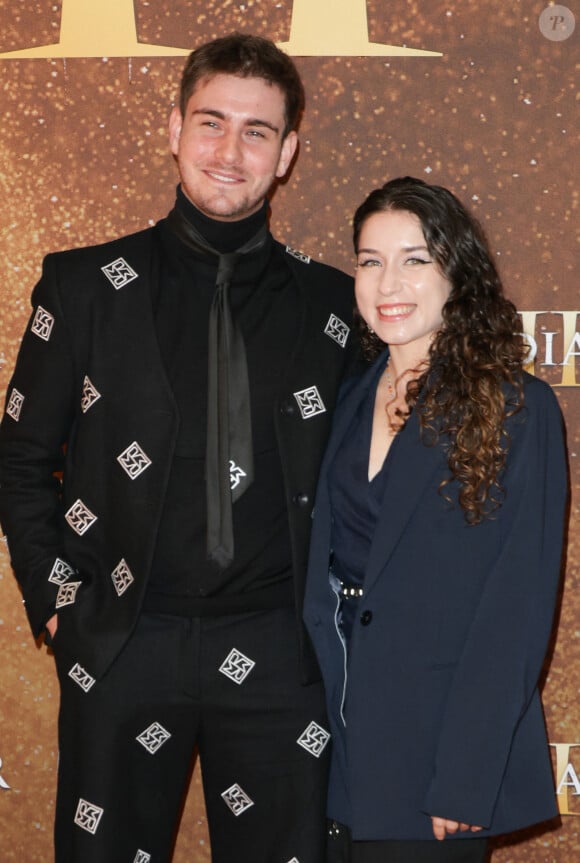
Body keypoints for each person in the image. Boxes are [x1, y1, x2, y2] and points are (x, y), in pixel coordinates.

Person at [0, 33, 354, 863]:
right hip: (124, 639)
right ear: (173, 129)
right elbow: (19, 458)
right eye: (211, 123)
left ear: (288, 152)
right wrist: (60, 605)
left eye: (257, 131)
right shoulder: (82, 286)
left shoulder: (337, 307)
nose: (230, 152)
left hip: (281, 649)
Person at [303, 177, 568, 862]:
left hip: (436, 760)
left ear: (457, 272)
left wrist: (466, 774)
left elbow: (515, 611)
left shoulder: (517, 408)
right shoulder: (348, 394)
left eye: (415, 259)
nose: (388, 281)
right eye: (369, 260)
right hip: (333, 740)